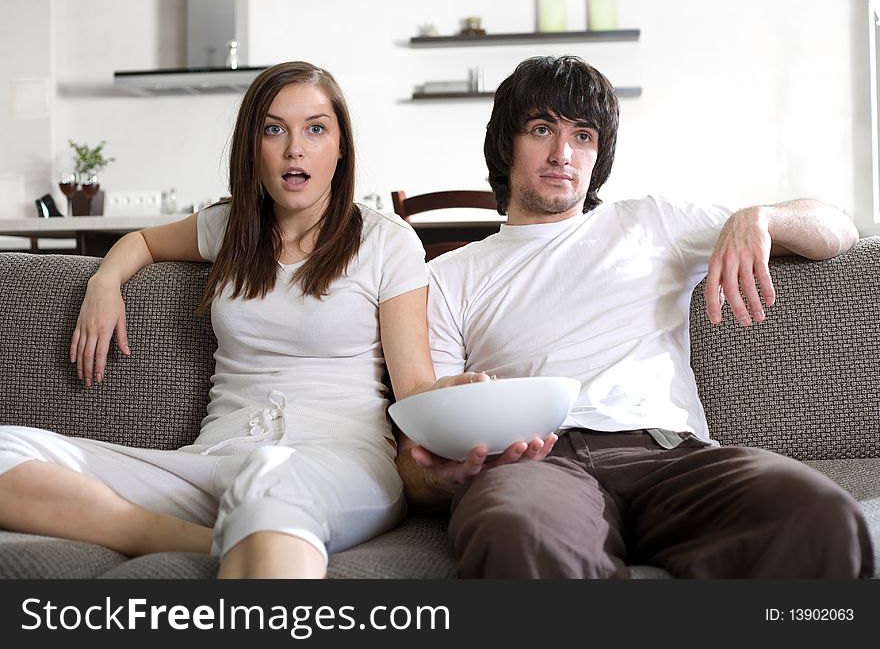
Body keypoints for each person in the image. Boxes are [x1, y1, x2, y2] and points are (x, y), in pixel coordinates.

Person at [396, 55, 874, 578]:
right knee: (519, 536)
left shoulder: (653, 222)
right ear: (506, 144)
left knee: (819, 516)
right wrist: (446, 473)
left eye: (583, 136)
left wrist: (759, 217)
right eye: (541, 129)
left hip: (670, 455)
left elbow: (838, 230)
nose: (563, 154)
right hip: (536, 466)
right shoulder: (445, 275)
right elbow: (417, 461)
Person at [0, 61, 468, 579]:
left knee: (270, 495)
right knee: (6, 450)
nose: (295, 147)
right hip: (219, 458)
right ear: (253, 147)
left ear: (340, 148)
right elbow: (143, 241)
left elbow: (416, 387)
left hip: (340, 461)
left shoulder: (386, 241)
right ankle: (190, 537)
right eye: (274, 129)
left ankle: (239, 528)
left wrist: (460, 402)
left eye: (316, 128)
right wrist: (104, 282)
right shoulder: (227, 228)